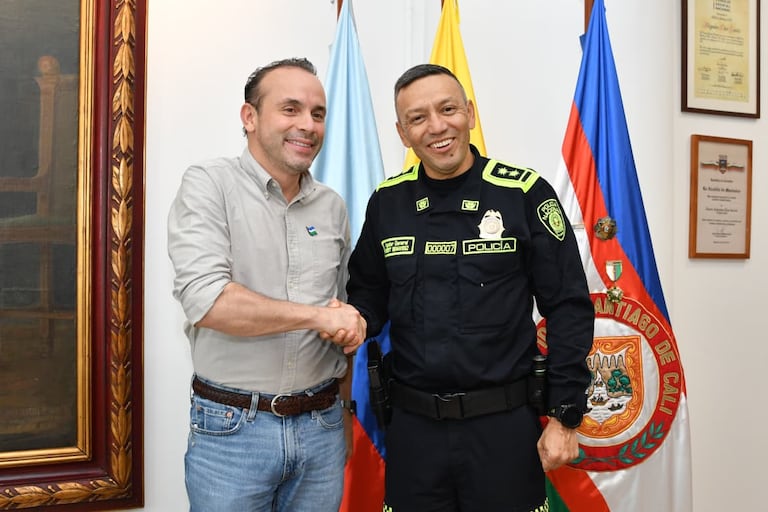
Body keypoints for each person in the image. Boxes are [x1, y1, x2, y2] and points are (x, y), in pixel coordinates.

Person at [345, 64, 595, 511]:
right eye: (418, 118)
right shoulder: (388, 203)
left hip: (503, 429)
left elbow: (569, 308)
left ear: (471, 113)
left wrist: (565, 415)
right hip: (413, 431)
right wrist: (347, 320)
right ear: (402, 133)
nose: (437, 127)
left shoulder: (524, 195)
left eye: (448, 109)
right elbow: (367, 296)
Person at [167, 57, 366, 512]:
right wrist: (318, 316)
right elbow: (210, 301)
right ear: (250, 117)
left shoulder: (332, 206)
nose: (308, 125)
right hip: (233, 430)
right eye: (290, 109)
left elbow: (344, 317)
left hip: (322, 430)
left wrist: (345, 414)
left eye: (318, 114)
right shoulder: (208, 185)